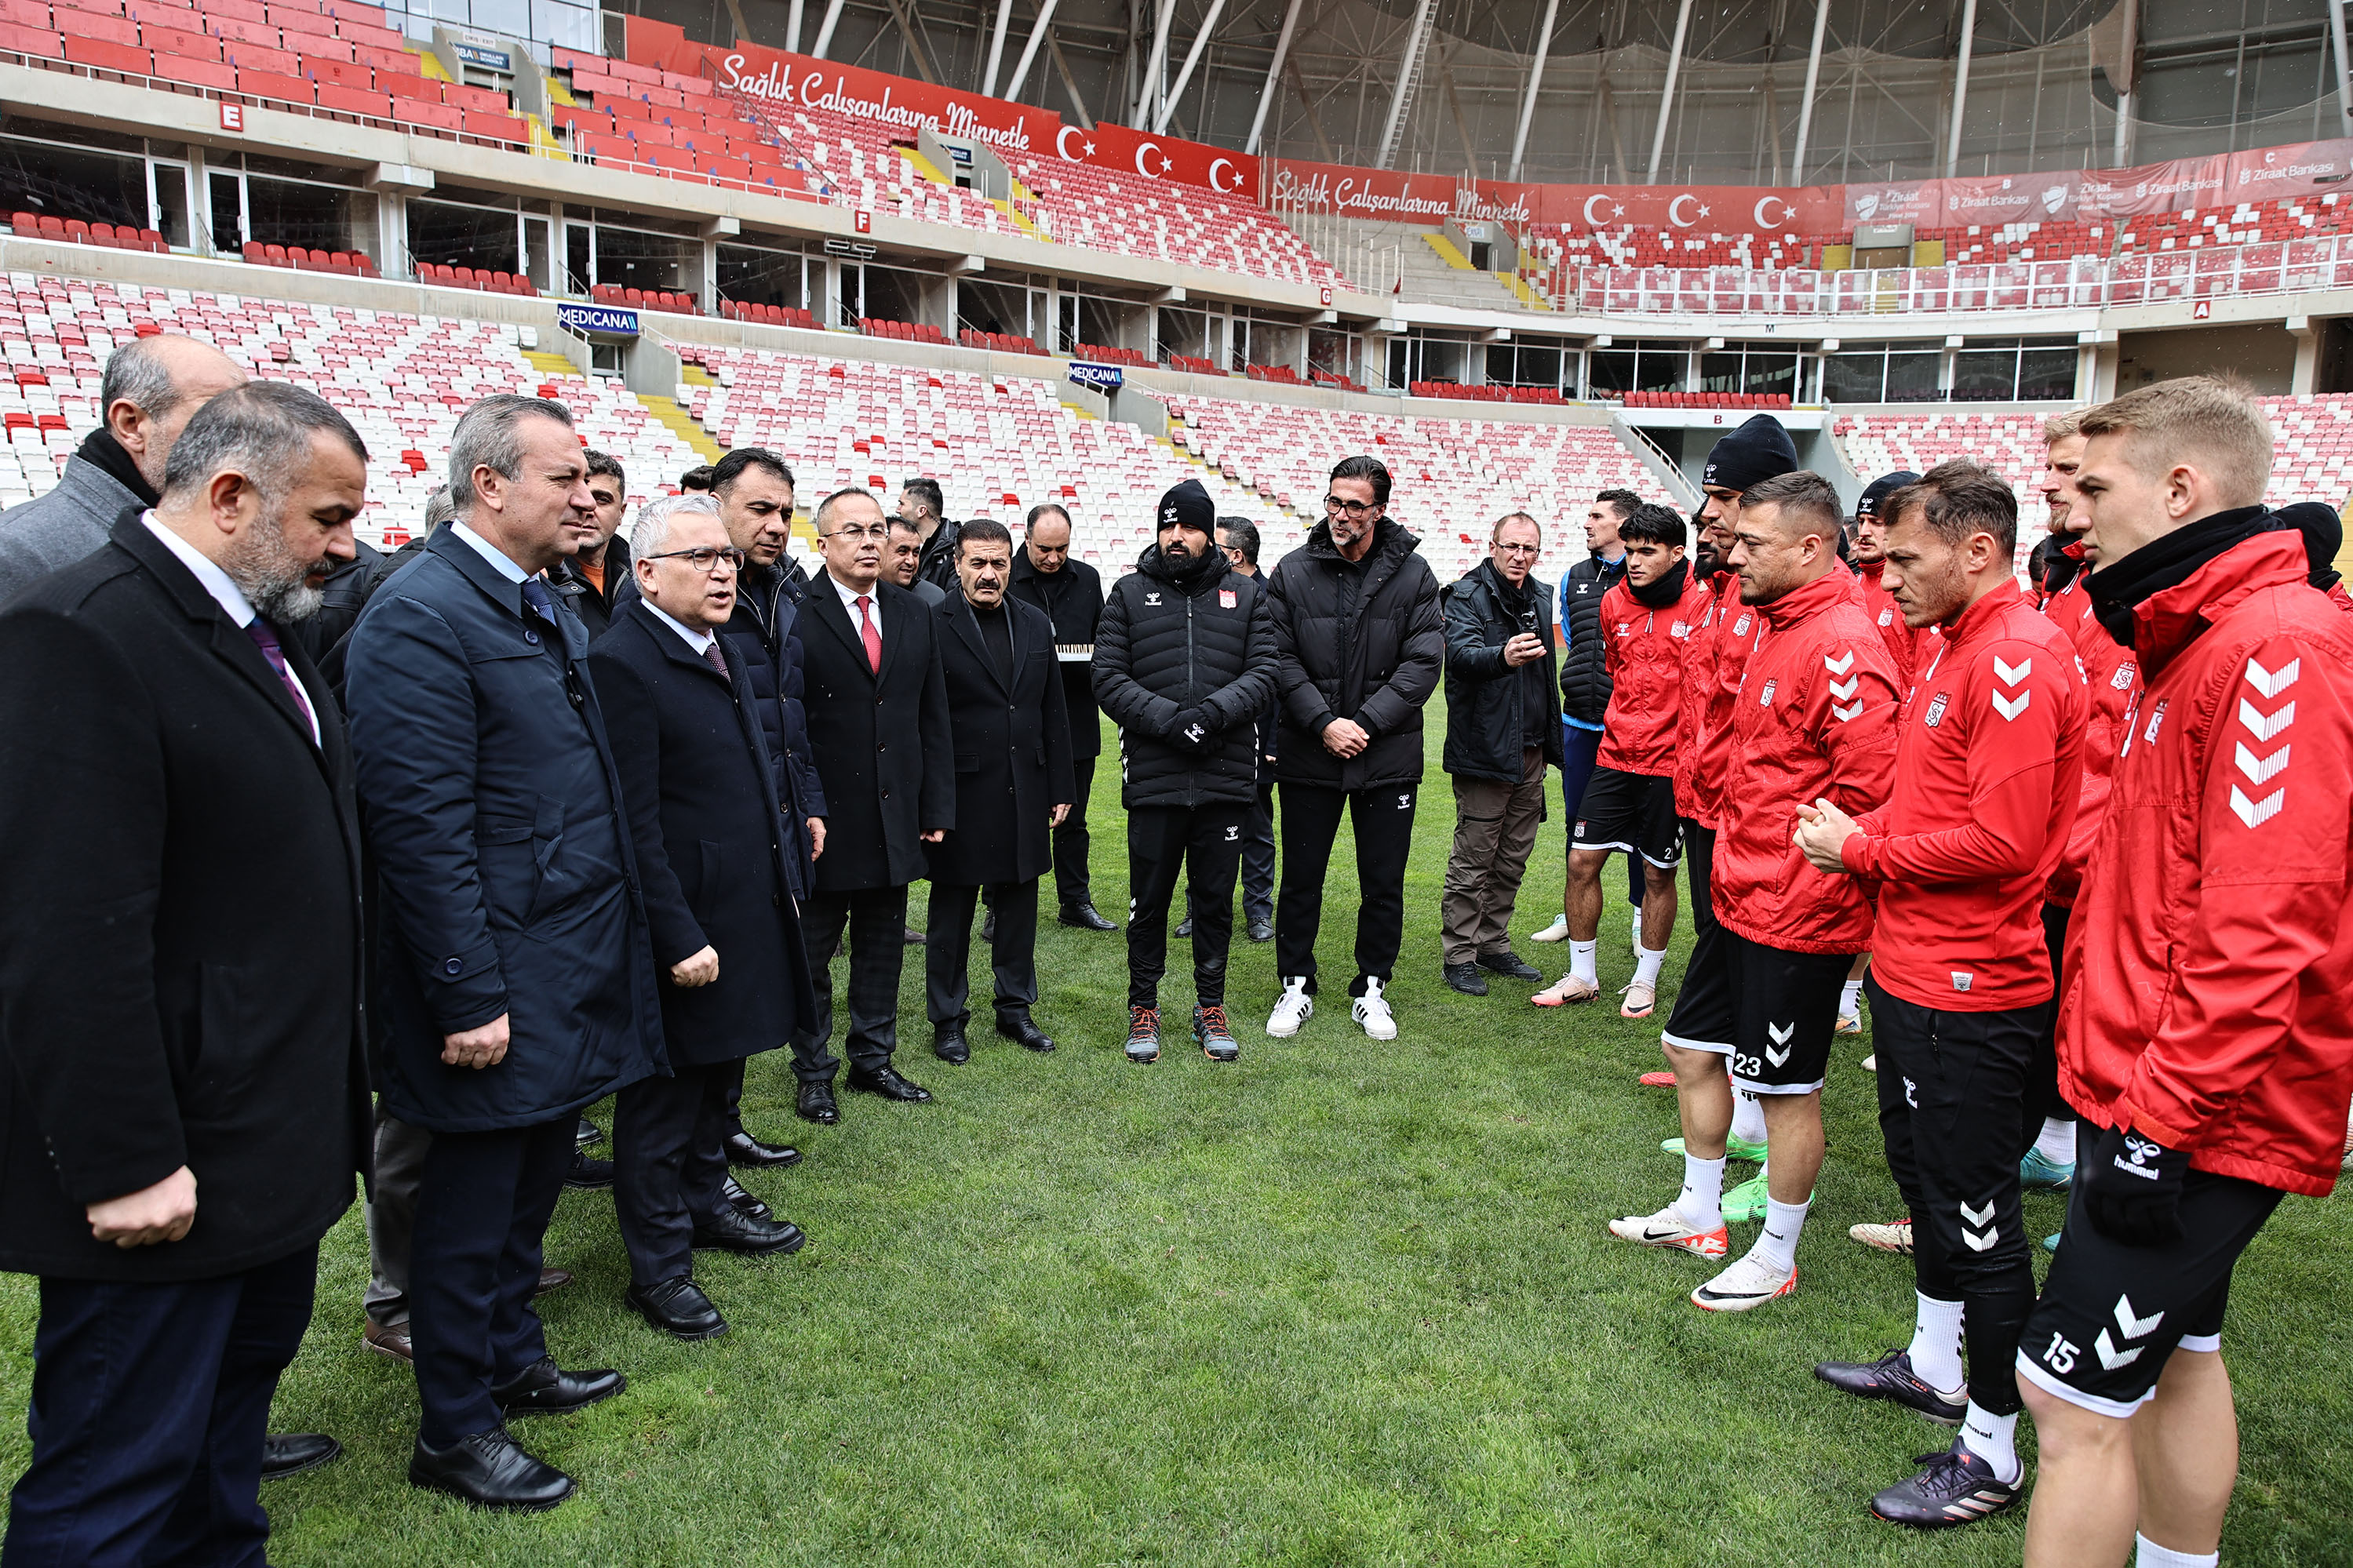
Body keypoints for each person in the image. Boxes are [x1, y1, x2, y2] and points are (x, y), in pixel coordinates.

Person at [0, 382, 371, 1563]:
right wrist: (123, 1161)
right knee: (112, 1485)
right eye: (326, 517)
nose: (345, 546)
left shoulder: (263, 630)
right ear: (229, 498)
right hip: (166, 1175)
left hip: (265, 1149)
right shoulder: (87, 628)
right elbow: (66, 931)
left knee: (219, 1459)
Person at [2012, 378, 2353, 1568]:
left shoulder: (2273, 646)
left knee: (2062, 1402)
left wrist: (2159, 1122)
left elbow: (2261, 923)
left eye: (2092, 489)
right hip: (2155, 1085)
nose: (2072, 516)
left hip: (2196, 1104)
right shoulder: (2200, 632)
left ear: (2177, 488)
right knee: (2177, 1356)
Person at [344, 393, 665, 1511]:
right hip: (496, 973)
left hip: (567, 954)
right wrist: (467, 991)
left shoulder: (536, 600)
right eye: (563, 477)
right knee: (469, 1209)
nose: (587, 495)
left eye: (588, 478)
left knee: (529, 1189)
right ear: (489, 484)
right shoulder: (421, 615)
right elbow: (419, 830)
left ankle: (512, 1357)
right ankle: (454, 1425)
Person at [1796, 460, 2085, 1526]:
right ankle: (1932, 1361)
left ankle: (1990, 1451)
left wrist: (1859, 846)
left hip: (1973, 984)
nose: (1887, 573)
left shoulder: (2009, 653)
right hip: (1915, 964)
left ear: (1974, 549)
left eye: (1906, 557)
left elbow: (2005, 840)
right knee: (1929, 1188)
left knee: (1979, 1219)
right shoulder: (1956, 643)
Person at [1611, 467, 1900, 1312]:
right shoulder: (1779, 622)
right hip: (1741, 892)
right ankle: (1700, 1213)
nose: (1732, 555)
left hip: (1796, 909)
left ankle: (1775, 1254)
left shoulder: (1841, 640)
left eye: (1752, 543)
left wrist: (1805, 873)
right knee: (1690, 1049)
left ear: (1811, 547)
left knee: (1782, 1088)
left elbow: (1868, 785)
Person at [588, 495, 816, 1343]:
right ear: (646, 574)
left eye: (725, 556)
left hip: (744, 902)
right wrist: (676, 932)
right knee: (663, 1102)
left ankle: (704, 1203)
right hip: (686, 919)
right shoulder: (624, 662)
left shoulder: (721, 646)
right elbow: (632, 820)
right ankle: (658, 1268)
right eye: (700, 558)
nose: (722, 570)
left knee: (720, 1080)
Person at [1093, 478, 1277, 1064]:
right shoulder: (1126, 593)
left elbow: (1266, 670)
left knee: (1214, 900)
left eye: (1189, 526)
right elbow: (1108, 676)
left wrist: (1212, 715)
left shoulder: (1247, 596)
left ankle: (1209, 1005)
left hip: (1224, 778)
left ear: (1209, 533)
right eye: (1168, 525)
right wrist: (1172, 721)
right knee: (1147, 903)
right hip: (1155, 776)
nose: (1176, 536)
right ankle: (1143, 1006)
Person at [787, 486, 953, 1122]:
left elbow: (931, 716)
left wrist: (934, 805)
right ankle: (813, 1070)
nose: (867, 541)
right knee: (813, 950)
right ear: (822, 544)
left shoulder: (914, 615)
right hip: (825, 816)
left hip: (896, 814)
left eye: (875, 531)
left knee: (883, 944)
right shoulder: (797, 613)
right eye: (850, 531)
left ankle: (872, 1059)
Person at [1262, 457, 1442, 1042]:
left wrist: (1361, 722)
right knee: (1301, 878)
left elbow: (1422, 664)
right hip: (1309, 749)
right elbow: (1278, 657)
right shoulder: (1291, 570)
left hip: (1385, 754)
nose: (1340, 515)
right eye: (1334, 502)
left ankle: (1371, 987)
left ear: (1380, 510)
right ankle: (1295, 983)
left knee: (1383, 880)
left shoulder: (1414, 574)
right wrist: (1322, 722)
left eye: (1354, 506)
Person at [1535, 502, 1713, 1018]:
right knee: (1579, 861)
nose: (1634, 561)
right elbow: (1615, 664)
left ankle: (1644, 978)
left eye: (1647, 552)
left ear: (1677, 553)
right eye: (1630, 551)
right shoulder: (1613, 602)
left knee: (1658, 875)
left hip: (1668, 766)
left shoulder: (1702, 606)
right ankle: (1581, 974)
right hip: (1614, 755)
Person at [923, 518, 1075, 1060]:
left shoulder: (1034, 622)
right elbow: (923, 719)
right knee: (952, 911)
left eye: (999, 563)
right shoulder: (931, 621)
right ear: (958, 564)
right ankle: (947, 1017)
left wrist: (1060, 782)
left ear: (1013, 563)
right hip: (959, 792)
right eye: (978, 563)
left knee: (1018, 905)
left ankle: (1014, 1009)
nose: (989, 574)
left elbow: (1051, 707)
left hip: (1025, 787)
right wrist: (931, 798)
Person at [0, 333, 248, 602]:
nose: (247, 442)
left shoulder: (221, 535)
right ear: (131, 425)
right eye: (217, 418)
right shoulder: (17, 552)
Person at [1438, 513, 1563, 995]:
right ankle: (1460, 954)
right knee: (1474, 857)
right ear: (1492, 545)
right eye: (1511, 547)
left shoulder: (1539, 594)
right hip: (1486, 749)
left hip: (1528, 748)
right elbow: (1461, 656)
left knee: (1513, 856)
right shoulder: (1467, 594)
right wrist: (1501, 656)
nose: (1520, 556)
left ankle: (1492, 944)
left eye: (1529, 549)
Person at [1533, 489, 1642, 945]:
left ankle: (1641, 914)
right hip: (1580, 722)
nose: (1587, 523)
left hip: (1635, 725)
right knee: (1575, 820)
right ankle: (1570, 911)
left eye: (1596, 516)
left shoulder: (1651, 574)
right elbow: (1576, 645)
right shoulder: (1572, 577)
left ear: (1622, 523)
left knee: (1643, 824)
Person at [1009, 501, 1116, 932]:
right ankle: (1002, 904)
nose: (1053, 559)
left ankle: (1075, 901)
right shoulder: (1005, 576)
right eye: (1044, 550)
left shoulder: (1088, 579)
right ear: (1027, 539)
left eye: (1062, 549)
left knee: (1074, 820)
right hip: (1019, 722)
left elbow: (1106, 644)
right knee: (1013, 816)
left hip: (1075, 719)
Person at [1177, 518, 1277, 944]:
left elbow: (1280, 675)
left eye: (1214, 546)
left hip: (1256, 738)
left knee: (1255, 825)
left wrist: (1271, 740)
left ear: (1235, 556)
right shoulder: (1202, 595)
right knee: (1198, 825)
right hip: (1209, 733)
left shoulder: (1274, 599)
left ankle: (1258, 911)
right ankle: (1196, 910)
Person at [548, 449, 632, 637]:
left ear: (622, 512)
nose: (588, 507)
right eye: (578, 497)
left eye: (602, 500)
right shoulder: (541, 579)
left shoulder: (641, 579)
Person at [899, 475, 960, 590]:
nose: (898, 510)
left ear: (921, 511)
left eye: (902, 504)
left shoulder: (956, 548)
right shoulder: (899, 541)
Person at [887, 513, 948, 606]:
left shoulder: (934, 599)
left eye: (916, 553)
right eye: (903, 551)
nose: (911, 561)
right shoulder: (862, 593)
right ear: (880, 550)